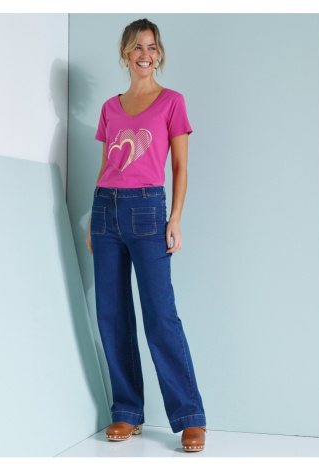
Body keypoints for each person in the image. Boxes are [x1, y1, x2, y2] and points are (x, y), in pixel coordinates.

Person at [86, 18, 207, 452]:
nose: (145, 54)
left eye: (152, 47)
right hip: (106, 211)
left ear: (159, 54)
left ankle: (189, 416)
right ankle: (127, 411)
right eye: (138, 47)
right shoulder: (110, 107)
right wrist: (93, 219)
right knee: (111, 314)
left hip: (147, 210)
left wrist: (175, 218)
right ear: (125, 54)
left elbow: (180, 166)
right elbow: (107, 165)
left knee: (160, 314)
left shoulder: (172, 102)